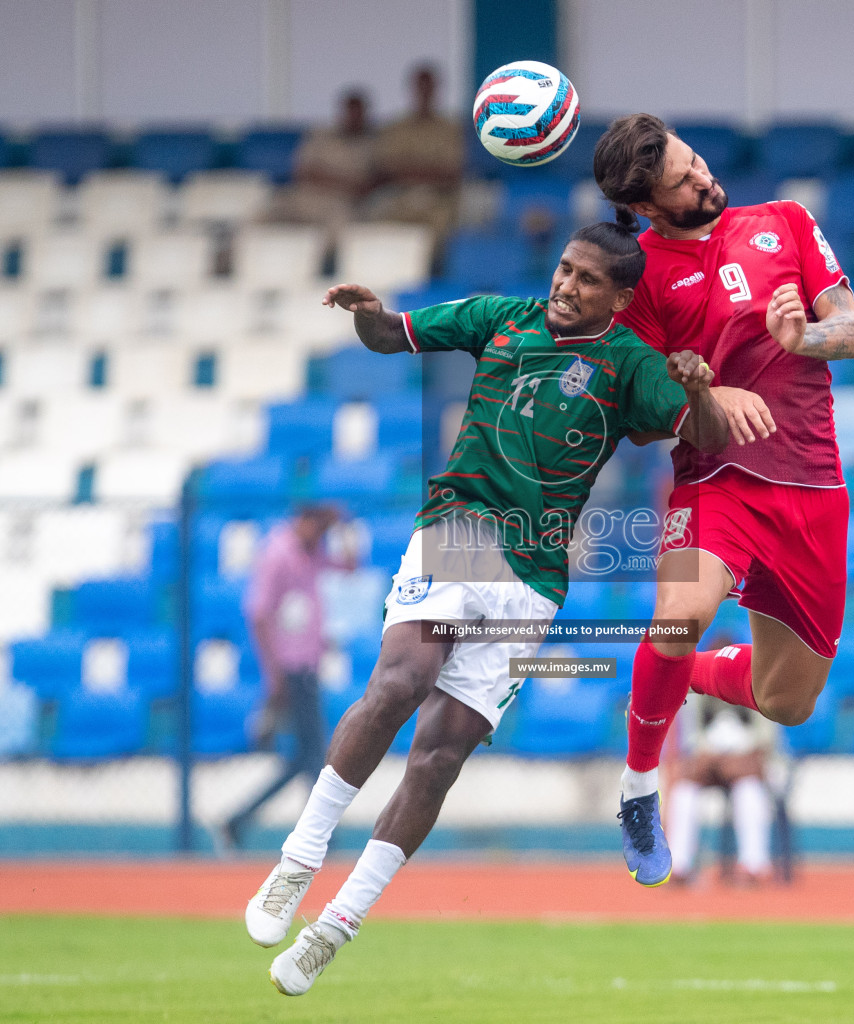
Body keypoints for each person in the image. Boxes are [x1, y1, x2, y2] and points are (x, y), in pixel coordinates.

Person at [242, 215, 730, 998]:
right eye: (565, 269)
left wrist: (701, 387)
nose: (566, 285)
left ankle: (336, 925)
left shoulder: (630, 364)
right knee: (399, 683)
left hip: (535, 577)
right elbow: (392, 337)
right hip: (462, 530)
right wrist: (368, 315)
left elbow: (700, 432)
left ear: (621, 297)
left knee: (439, 758)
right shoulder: (499, 319)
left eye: (587, 279)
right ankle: (297, 862)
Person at [592, 113, 854, 885]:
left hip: (813, 486)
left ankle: (681, 670)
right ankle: (640, 786)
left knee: (788, 703)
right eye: (682, 181)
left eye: (697, 163)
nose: (705, 179)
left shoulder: (784, 221)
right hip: (717, 479)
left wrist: (802, 341)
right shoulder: (636, 276)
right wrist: (697, 391)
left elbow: (851, 331)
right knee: (678, 615)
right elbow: (642, 413)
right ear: (646, 207)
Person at [220, 504, 355, 850]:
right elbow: (259, 613)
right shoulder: (278, 552)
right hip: (289, 667)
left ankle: (240, 819)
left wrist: (344, 529)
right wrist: (273, 672)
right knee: (315, 757)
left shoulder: (315, 551)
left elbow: (350, 567)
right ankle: (320, 835)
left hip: (307, 665)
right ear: (302, 521)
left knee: (306, 757)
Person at [666, 689, 781, 887]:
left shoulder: (757, 680)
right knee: (683, 790)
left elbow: (766, 735)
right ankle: (678, 866)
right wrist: (712, 752)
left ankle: (753, 866)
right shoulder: (699, 680)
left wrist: (740, 749)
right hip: (708, 757)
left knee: (749, 790)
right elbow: (691, 735)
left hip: (746, 758)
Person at [361, 63, 464, 243]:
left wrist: (408, 169)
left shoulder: (450, 129)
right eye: (420, 86)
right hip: (396, 195)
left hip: (437, 197)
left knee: (439, 219)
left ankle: (431, 270)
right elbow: (385, 170)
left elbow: (450, 173)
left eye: (428, 87)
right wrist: (425, 169)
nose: (424, 92)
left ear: (435, 89)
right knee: (374, 213)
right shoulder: (395, 128)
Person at [270, 88, 377, 244]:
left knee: (341, 227)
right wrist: (343, 182)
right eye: (350, 111)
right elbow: (302, 172)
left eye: (358, 112)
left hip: (339, 205)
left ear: (365, 114)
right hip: (303, 197)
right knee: (264, 211)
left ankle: (312, 265)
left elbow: (366, 186)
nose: (353, 116)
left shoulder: (372, 143)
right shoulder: (320, 135)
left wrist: (325, 177)